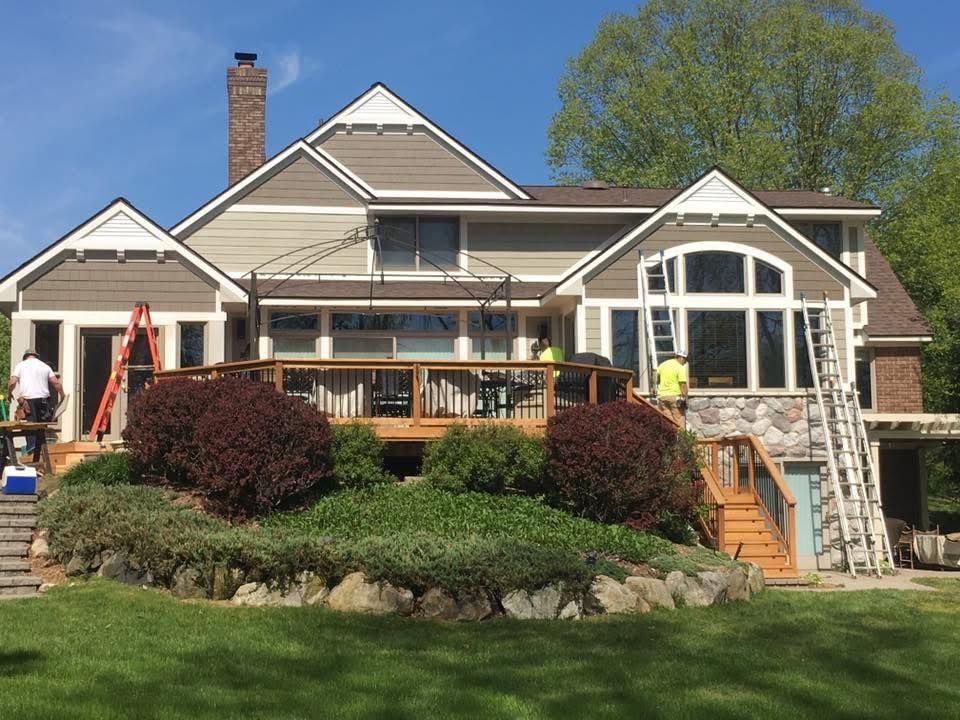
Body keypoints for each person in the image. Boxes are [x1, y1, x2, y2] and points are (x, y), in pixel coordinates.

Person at [8, 349, 64, 463]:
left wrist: (9, 393)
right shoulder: (44, 366)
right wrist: (62, 395)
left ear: (25, 357)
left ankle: (31, 458)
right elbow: (56, 383)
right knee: (40, 429)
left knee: (30, 429)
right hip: (44, 402)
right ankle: (41, 459)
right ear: (36, 356)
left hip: (28, 402)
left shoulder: (21, 365)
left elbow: (13, 382)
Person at [657, 349, 689, 425]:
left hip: (662, 397)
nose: (685, 363)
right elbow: (683, 385)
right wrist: (686, 398)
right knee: (679, 421)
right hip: (675, 397)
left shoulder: (663, 364)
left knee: (668, 421)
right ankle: (680, 437)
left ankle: (671, 437)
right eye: (685, 360)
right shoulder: (680, 367)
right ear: (682, 358)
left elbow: (656, 377)